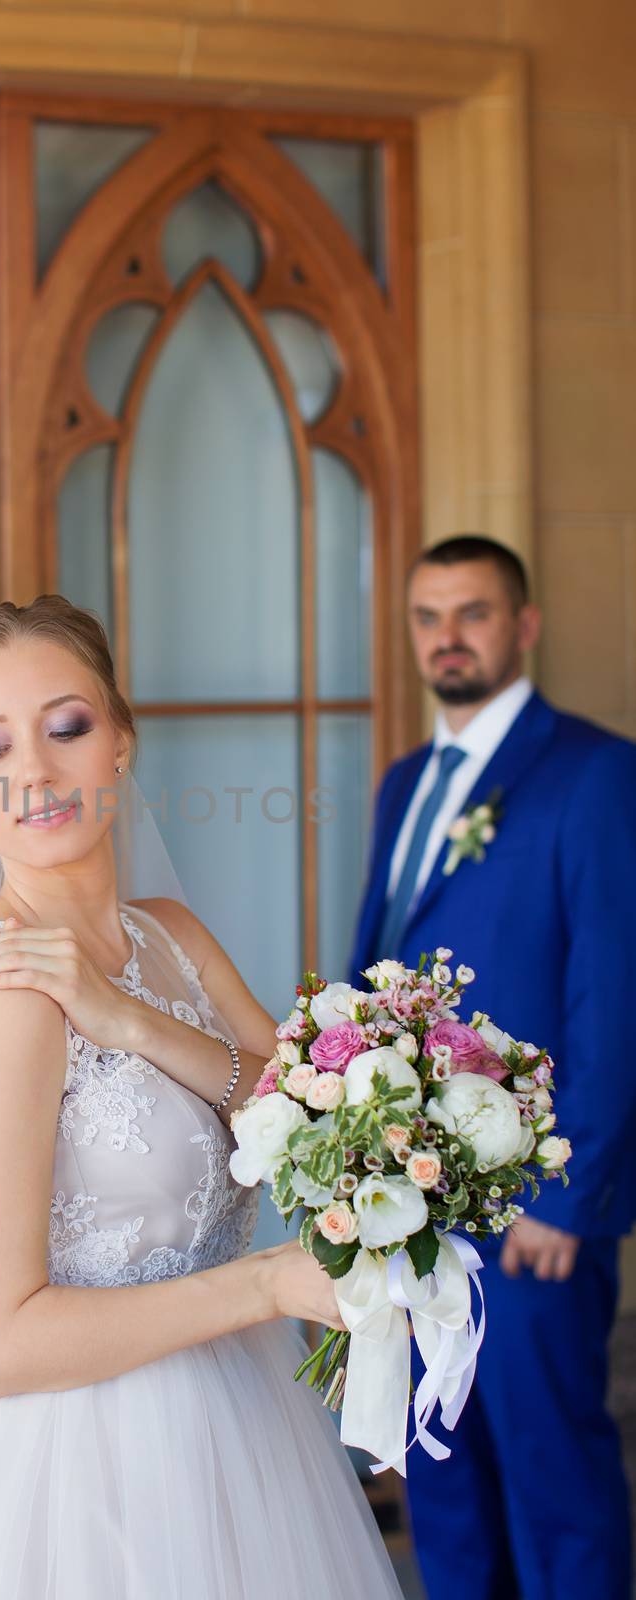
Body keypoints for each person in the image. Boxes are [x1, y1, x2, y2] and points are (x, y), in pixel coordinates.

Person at [0, 595, 404, 1600]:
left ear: (119, 739)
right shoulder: (6, 997)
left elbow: (308, 1125)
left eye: (65, 726)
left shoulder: (169, 935)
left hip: (240, 1428)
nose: (31, 770)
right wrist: (260, 1287)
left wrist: (129, 1022)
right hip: (75, 1470)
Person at [349, 535, 636, 1599]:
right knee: (440, 1467)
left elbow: (613, 997)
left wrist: (570, 1197)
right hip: (414, 1205)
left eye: (470, 614)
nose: (446, 638)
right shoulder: (403, 784)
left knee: (550, 1471)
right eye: (426, 617)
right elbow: (378, 972)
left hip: (531, 1213)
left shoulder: (595, 774)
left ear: (522, 626)